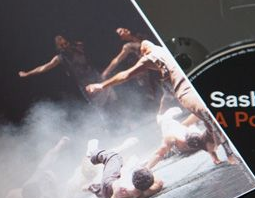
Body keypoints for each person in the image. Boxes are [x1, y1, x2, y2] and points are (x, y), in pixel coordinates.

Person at [85, 40, 238, 164]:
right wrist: (102, 85)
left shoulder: (163, 51)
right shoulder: (150, 56)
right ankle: (229, 153)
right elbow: (125, 74)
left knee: (209, 122)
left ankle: (212, 147)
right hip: (185, 92)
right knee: (208, 116)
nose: (143, 45)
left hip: (187, 88)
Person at [18, 35, 117, 107]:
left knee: (112, 98)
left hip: (96, 77)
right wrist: (28, 73)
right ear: (58, 47)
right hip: (85, 84)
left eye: (65, 43)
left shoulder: (79, 47)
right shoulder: (60, 58)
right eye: (61, 45)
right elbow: (44, 67)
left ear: (68, 42)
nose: (64, 46)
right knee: (99, 106)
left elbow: (94, 50)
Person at [83, 141, 164, 198]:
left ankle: (92, 153)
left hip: (108, 187)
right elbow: (156, 177)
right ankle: (91, 187)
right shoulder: (155, 187)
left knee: (114, 157)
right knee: (103, 191)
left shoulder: (122, 188)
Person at [145, 107, 220, 168]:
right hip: (169, 128)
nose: (188, 148)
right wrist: (147, 168)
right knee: (163, 121)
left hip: (185, 129)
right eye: (186, 146)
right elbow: (159, 154)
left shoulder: (203, 139)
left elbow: (211, 149)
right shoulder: (171, 138)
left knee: (187, 124)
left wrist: (215, 158)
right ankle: (161, 115)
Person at [101, 27, 160, 102]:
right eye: (121, 31)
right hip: (152, 66)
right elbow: (117, 59)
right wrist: (106, 72)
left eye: (123, 29)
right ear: (121, 38)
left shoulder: (140, 34)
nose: (124, 30)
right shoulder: (128, 46)